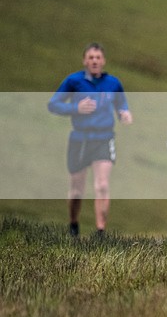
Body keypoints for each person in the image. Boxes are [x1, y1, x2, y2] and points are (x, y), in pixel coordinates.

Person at [48, 42, 132, 238]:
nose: (94, 61)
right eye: (91, 57)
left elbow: (122, 104)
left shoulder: (113, 83)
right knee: (77, 190)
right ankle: (73, 224)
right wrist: (75, 108)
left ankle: (101, 231)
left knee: (102, 185)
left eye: (98, 57)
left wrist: (125, 114)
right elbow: (54, 104)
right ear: (85, 61)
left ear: (103, 61)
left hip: (104, 138)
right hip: (79, 139)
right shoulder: (74, 81)